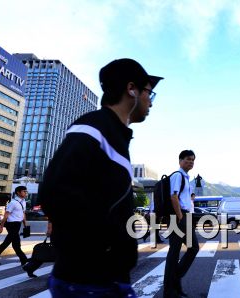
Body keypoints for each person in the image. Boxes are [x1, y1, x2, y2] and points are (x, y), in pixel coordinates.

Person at [39, 58, 163, 297]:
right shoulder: (93, 128)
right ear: (131, 89)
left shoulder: (116, 134)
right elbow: (55, 190)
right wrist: (106, 245)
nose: (151, 101)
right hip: (88, 280)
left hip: (107, 278)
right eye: (149, 92)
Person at [163, 150, 199, 298]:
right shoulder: (178, 176)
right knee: (180, 251)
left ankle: (174, 284)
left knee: (183, 250)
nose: (190, 162)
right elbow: (173, 196)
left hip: (183, 216)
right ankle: (170, 288)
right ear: (180, 161)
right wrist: (180, 217)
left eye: (192, 160)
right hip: (178, 217)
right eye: (187, 159)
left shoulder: (185, 177)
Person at [0, 186, 29, 266]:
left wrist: (25, 224)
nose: (25, 193)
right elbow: (6, 215)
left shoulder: (24, 202)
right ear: (18, 192)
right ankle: (24, 259)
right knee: (14, 243)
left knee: (10, 243)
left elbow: (23, 214)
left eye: (26, 191)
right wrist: (1, 227)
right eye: (24, 191)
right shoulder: (13, 203)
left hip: (18, 224)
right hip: (11, 224)